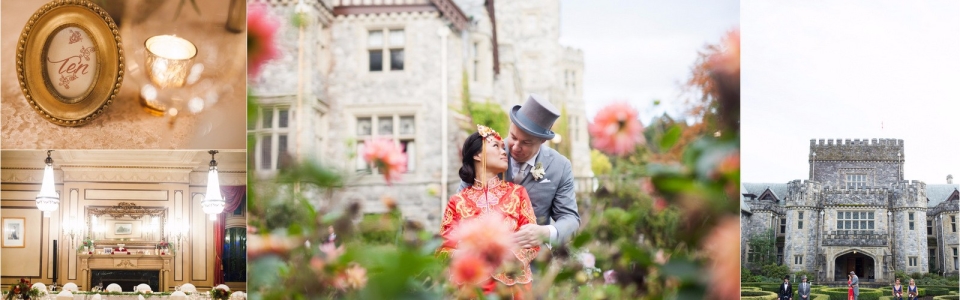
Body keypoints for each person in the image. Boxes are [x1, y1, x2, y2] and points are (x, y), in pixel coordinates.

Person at [458, 94, 581, 249]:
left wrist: (545, 233)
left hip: (534, 264)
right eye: (513, 137)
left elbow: (570, 219)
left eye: (526, 142)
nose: (515, 147)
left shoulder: (561, 166)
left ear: (542, 141)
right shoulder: (485, 153)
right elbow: (459, 207)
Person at [439, 125, 540, 297]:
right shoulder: (457, 202)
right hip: (472, 288)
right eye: (496, 146)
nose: (504, 152)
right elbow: (443, 249)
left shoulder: (518, 193)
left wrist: (508, 259)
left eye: (503, 148)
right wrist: (470, 258)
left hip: (511, 287)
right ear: (477, 155)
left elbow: (532, 241)